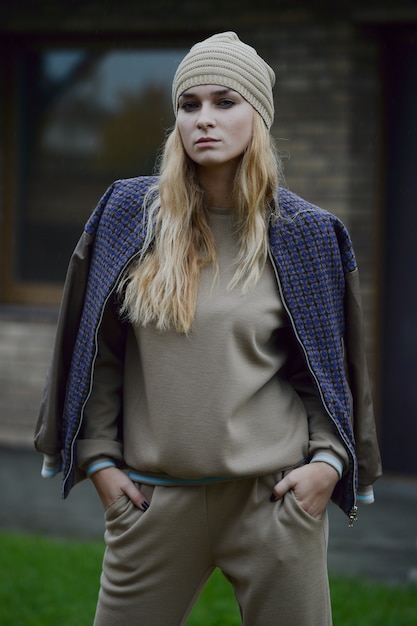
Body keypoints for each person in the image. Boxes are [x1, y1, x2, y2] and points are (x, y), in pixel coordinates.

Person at [35, 32, 382, 626]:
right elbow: (100, 352)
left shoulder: (305, 233)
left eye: (226, 102)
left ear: (259, 116)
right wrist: (98, 458)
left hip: (273, 503)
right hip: (151, 500)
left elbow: (325, 365)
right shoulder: (130, 215)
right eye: (189, 105)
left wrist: (327, 462)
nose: (204, 119)